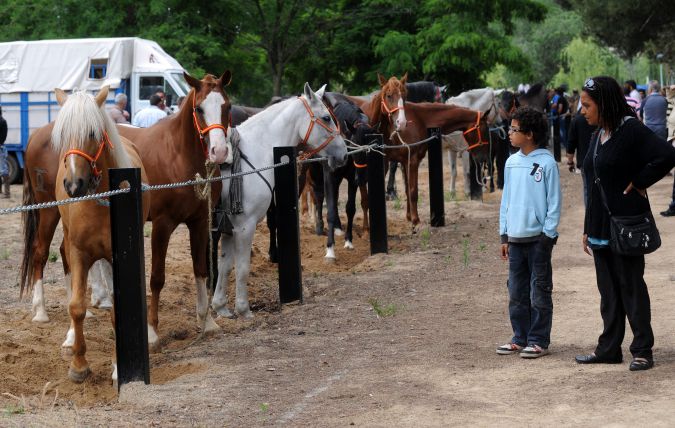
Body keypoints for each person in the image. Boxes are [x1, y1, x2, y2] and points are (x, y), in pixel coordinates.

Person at [575, 76, 675, 371]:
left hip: (626, 224)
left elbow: (667, 155)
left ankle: (642, 349)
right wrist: (586, 228)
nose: (582, 111)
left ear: (604, 104)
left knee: (631, 287)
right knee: (608, 291)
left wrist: (641, 182)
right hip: (600, 227)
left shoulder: (630, 129)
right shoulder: (597, 136)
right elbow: (593, 184)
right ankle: (608, 348)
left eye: (587, 105)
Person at [497, 105, 562, 359]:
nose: (510, 133)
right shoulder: (511, 163)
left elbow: (554, 204)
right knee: (516, 292)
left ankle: (538, 340)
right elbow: (506, 201)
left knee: (539, 292)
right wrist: (504, 234)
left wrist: (548, 235)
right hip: (515, 240)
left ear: (530, 134)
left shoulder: (547, 163)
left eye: (514, 130)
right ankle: (519, 337)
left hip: (538, 241)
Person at [566, 98, 597, 206]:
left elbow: (571, 143)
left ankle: (590, 218)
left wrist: (570, 162)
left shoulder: (577, 120)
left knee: (588, 190)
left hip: (584, 161)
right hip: (601, 160)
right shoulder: (601, 119)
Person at [0, 106, 9, 198]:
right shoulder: (3, 121)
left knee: (3, 171)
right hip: (1, 147)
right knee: (3, 170)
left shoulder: (2, 122)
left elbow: (3, 137)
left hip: (0, 148)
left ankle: (7, 193)